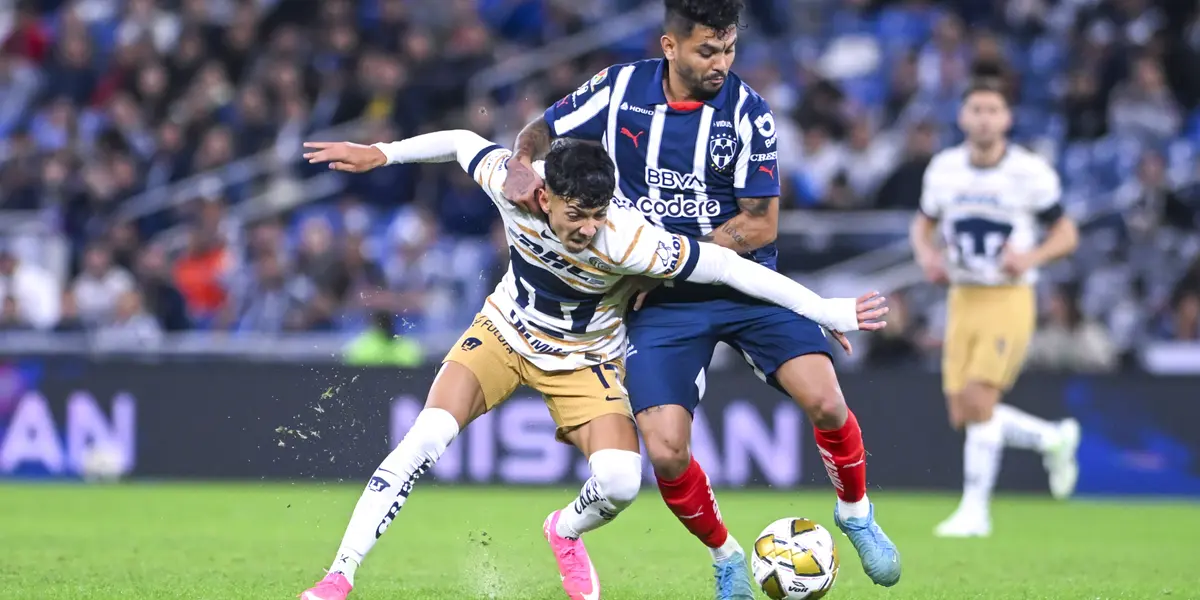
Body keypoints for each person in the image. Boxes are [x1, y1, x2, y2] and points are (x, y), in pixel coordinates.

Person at [298, 131, 889, 600]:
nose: (587, 228)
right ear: (546, 196)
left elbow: (732, 268)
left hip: (586, 361)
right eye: (576, 214)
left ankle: (565, 531)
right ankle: (338, 576)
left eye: (597, 214)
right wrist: (382, 153)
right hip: (504, 334)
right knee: (425, 435)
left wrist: (823, 308)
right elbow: (459, 140)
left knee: (621, 482)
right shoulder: (513, 183)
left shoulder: (631, 240)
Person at [502, 0, 901, 595]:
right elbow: (543, 127)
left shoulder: (750, 115)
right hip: (660, 303)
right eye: (707, 50)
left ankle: (856, 513)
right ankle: (726, 555)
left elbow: (761, 225)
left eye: (730, 49)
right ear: (670, 46)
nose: (722, 63)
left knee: (824, 399)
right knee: (664, 452)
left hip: (742, 282)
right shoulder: (619, 89)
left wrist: (672, 261)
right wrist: (520, 160)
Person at [909, 77, 1083, 538]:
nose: (984, 118)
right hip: (962, 296)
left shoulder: (1029, 172)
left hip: (1008, 296)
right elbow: (922, 224)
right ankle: (1053, 438)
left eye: (993, 110)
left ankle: (975, 511)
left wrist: (1029, 258)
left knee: (980, 401)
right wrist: (927, 257)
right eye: (976, 109)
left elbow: (1066, 233)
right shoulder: (945, 169)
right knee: (961, 412)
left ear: (1007, 119)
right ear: (963, 116)